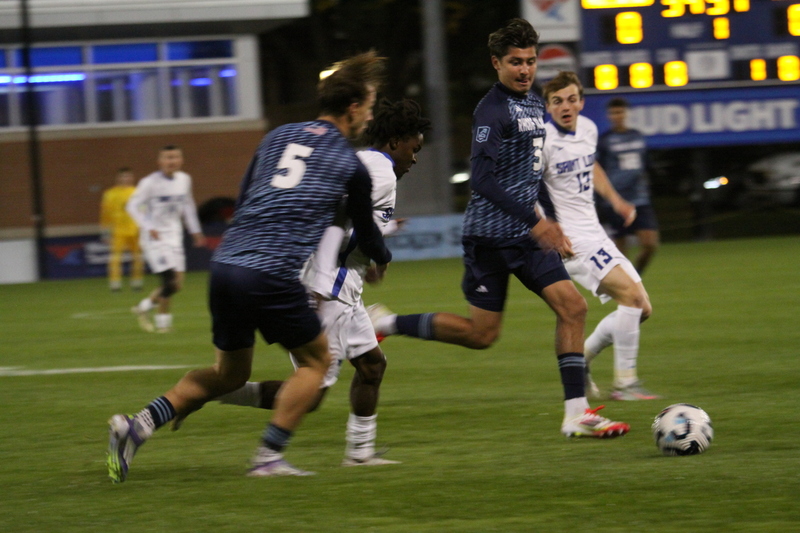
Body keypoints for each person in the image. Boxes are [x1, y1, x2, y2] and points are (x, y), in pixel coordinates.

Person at [107, 51, 391, 482]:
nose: (369, 117)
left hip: (226, 266)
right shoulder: (349, 163)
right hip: (273, 273)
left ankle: (139, 424)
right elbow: (368, 234)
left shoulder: (278, 137)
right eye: (368, 107)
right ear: (352, 108)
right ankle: (268, 458)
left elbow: (244, 199)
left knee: (228, 373)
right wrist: (381, 260)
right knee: (317, 362)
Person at [370, 19, 629, 438]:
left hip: (526, 237)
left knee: (574, 308)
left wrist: (546, 219)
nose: (525, 70)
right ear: (497, 63)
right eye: (515, 62)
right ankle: (388, 323)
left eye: (530, 61)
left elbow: (529, 172)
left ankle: (576, 415)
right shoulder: (491, 110)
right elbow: (483, 181)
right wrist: (537, 222)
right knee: (481, 335)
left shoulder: (533, 106)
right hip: (488, 238)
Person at [190, 98, 430, 466]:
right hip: (330, 286)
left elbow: (348, 218)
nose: (415, 158)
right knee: (312, 391)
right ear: (397, 142)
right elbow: (340, 219)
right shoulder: (379, 171)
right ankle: (225, 399)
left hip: (345, 285)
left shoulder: (367, 163)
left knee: (372, 366)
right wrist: (375, 255)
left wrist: (381, 237)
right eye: (415, 148)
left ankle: (360, 454)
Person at [539, 71, 660, 401]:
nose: (565, 106)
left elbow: (592, 168)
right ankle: (625, 383)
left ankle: (583, 361)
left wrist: (617, 200)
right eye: (557, 101)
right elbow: (530, 191)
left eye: (571, 99)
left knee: (642, 308)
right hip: (572, 242)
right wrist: (550, 230)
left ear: (581, 102)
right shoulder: (543, 142)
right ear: (548, 107)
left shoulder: (589, 130)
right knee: (631, 300)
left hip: (596, 233)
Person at [127, 146, 206, 333]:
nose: (172, 161)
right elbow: (132, 205)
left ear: (181, 160)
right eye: (168, 158)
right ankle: (163, 324)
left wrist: (195, 231)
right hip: (155, 238)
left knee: (177, 284)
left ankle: (144, 307)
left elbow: (188, 205)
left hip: (174, 236)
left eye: (175, 157)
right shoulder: (149, 183)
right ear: (159, 162)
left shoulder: (185, 179)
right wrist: (148, 226)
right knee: (169, 280)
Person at [596, 97, 660, 274]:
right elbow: (597, 170)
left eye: (620, 111)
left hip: (640, 198)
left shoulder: (637, 136)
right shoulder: (605, 140)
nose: (617, 115)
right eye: (614, 112)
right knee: (620, 250)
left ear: (626, 113)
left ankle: (635, 274)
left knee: (650, 244)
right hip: (616, 200)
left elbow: (646, 164)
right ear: (609, 115)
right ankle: (625, 283)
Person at [99, 167, 143, 291]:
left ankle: (136, 282)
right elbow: (105, 214)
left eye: (128, 176)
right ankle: (115, 283)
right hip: (118, 230)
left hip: (135, 229)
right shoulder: (110, 194)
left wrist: (145, 226)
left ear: (132, 178)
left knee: (137, 257)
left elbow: (144, 210)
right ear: (118, 178)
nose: (125, 179)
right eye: (123, 177)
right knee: (115, 258)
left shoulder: (138, 192)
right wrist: (105, 232)